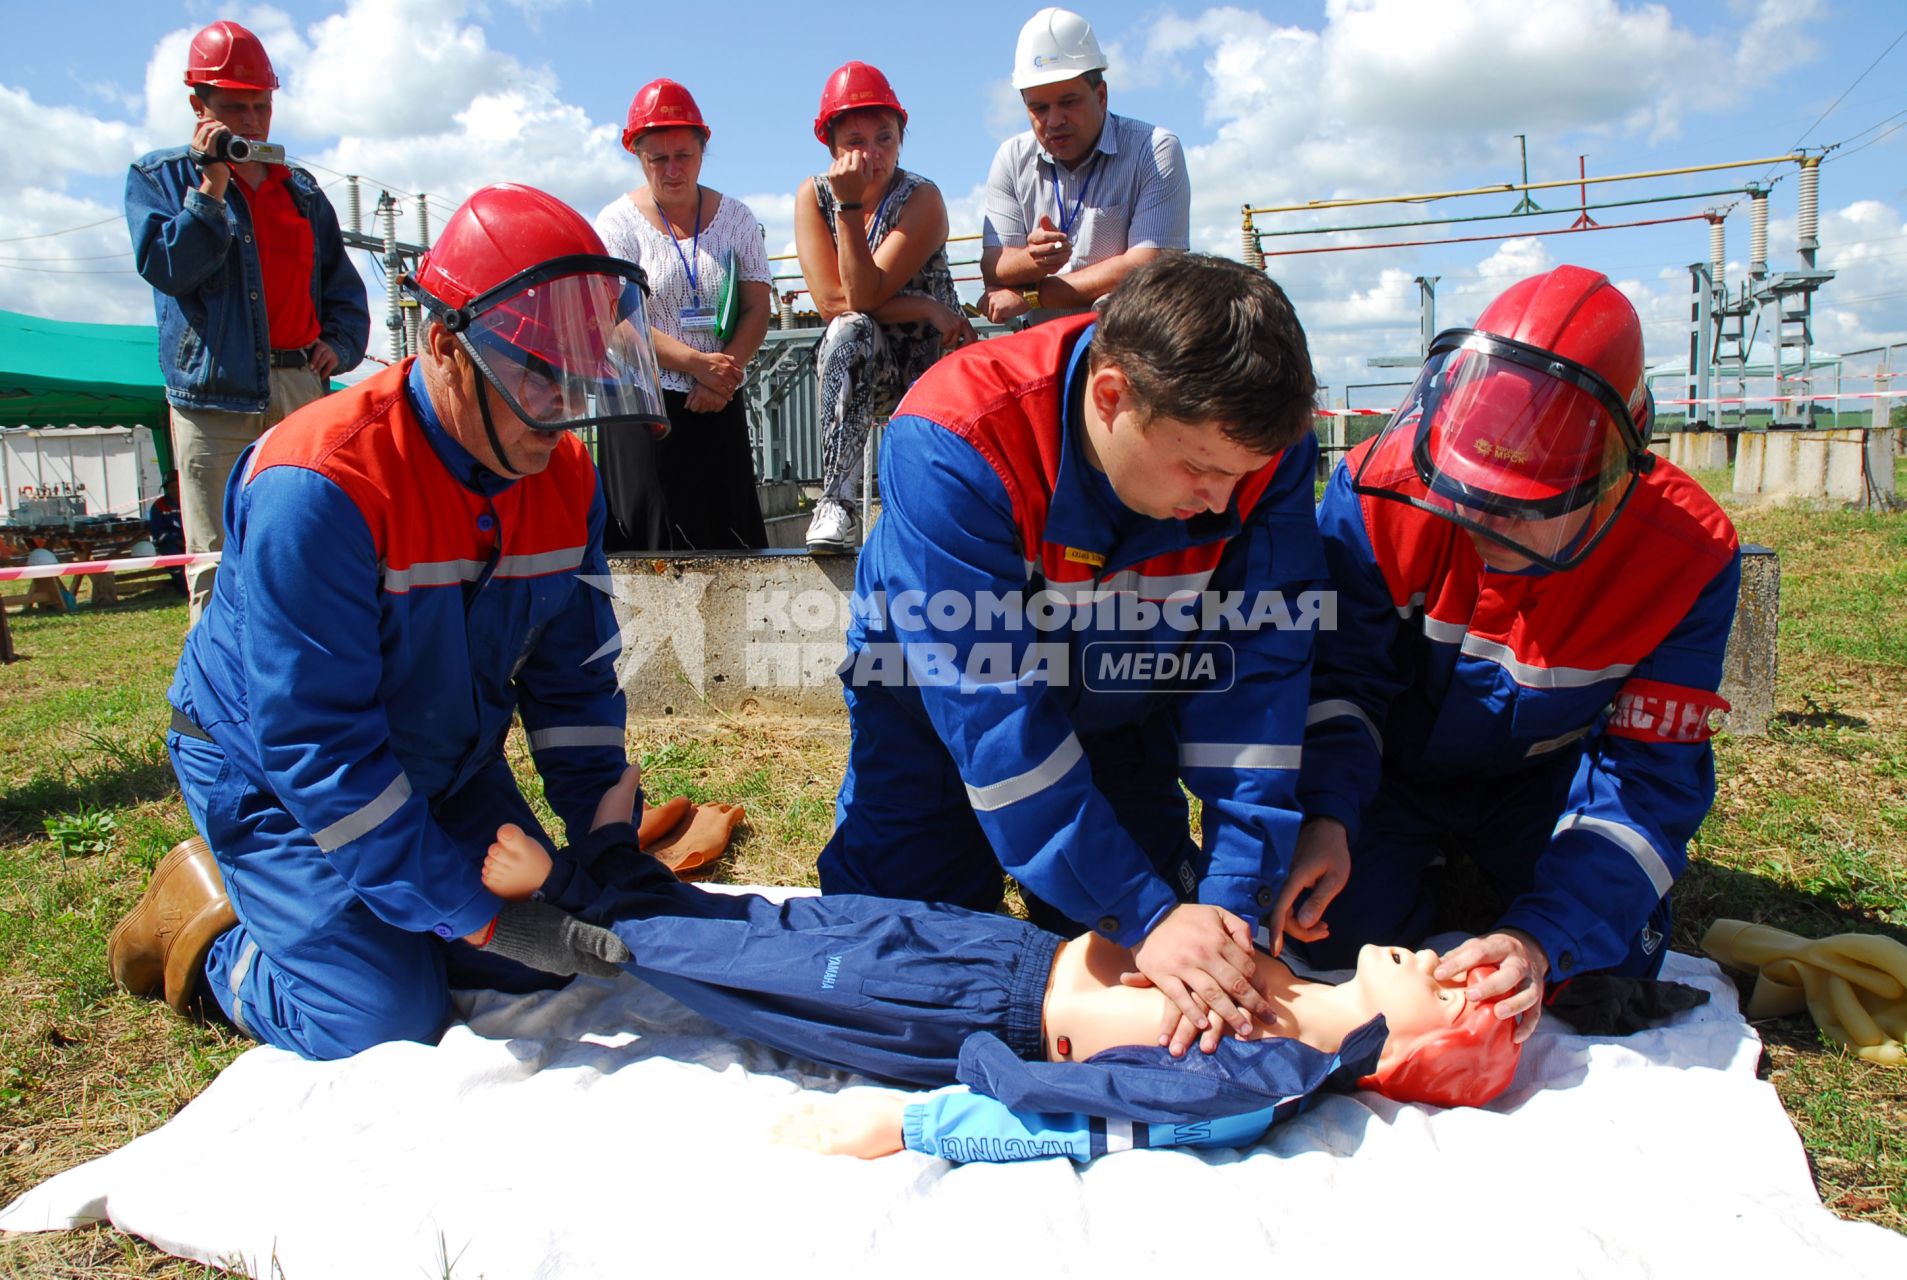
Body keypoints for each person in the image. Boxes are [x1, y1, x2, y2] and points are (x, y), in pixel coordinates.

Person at [106, 183, 672, 1060]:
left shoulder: (564, 480)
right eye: (539, 377)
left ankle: (381, 925)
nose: (564, 411)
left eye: (581, 376)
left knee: (547, 962)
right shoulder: (320, 486)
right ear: (445, 347)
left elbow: (573, 685)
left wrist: (602, 842)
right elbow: (318, 746)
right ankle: (212, 930)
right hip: (276, 778)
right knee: (379, 1021)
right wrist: (475, 916)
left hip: (442, 761)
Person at [815, 252, 1326, 1057]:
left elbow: (1257, 678)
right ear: (1112, 394)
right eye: (1197, 469)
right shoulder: (956, 436)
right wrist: (1148, 913)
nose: (1221, 504)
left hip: (1124, 704)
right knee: (896, 962)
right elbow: (991, 718)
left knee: (1136, 972)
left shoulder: (1255, 446)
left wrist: (1232, 907)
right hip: (935, 716)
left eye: (1241, 475)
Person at [479, 807, 1521, 1166]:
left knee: (757, 970)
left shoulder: (1268, 1071)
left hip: (965, 1011)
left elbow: (1099, 1117)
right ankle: (616, 885)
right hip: (989, 948)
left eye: (1450, 991)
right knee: (788, 919)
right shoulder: (1299, 967)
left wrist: (920, 1121)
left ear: (1411, 1051)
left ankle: (556, 915)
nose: (1437, 958)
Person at [1284, 265, 1742, 1043]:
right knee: (1317, 937)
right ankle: (1420, 868)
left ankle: (1486, 891)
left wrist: (1540, 941)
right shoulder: (1374, 494)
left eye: (1520, 512)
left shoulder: (1688, 555)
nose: (1481, 531)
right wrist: (1326, 815)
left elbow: (1648, 779)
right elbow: (1337, 687)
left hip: (1545, 781)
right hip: (1384, 774)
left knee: (1601, 972)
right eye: (1467, 500)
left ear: (1614, 476)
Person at [124, 20, 370, 623]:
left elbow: (343, 285)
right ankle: (219, 709)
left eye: (261, 105)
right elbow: (168, 268)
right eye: (235, 107)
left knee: (311, 542)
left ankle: (307, 682)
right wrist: (209, 188)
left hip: (300, 390)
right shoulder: (159, 179)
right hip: (213, 401)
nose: (253, 121)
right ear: (198, 106)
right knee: (216, 561)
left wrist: (338, 344)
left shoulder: (302, 191)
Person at [794, 61, 975, 554]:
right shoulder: (814, 197)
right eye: (854, 141)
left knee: (925, 508)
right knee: (848, 327)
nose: (871, 154)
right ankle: (836, 500)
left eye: (885, 139)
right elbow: (839, 302)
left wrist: (849, 210)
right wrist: (923, 303)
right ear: (830, 146)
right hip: (860, 361)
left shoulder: (921, 198)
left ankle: (927, 515)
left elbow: (865, 292)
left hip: (927, 360)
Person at [593, 78, 772, 551]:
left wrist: (724, 373)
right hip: (644, 409)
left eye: (684, 156)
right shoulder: (616, 224)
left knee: (728, 541)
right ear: (637, 156)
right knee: (652, 546)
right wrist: (697, 365)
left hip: (717, 397)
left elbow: (757, 305)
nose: (673, 170)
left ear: (703, 149)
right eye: (659, 159)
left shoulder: (735, 217)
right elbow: (614, 322)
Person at [978, 7, 1189, 329]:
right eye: (1039, 107)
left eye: (1069, 101)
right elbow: (994, 265)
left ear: (1101, 95)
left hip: (1131, 343)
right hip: (1040, 349)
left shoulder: (1154, 149)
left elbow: (1149, 266)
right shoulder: (1011, 159)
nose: (1054, 120)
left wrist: (1033, 293)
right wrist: (1032, 260)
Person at [146, 471, 187, 594]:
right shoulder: (158, 506)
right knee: (174, 558)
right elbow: (158, 533)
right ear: (166, 489)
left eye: (177, 486)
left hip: (189, 541)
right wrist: (176, 540)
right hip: (169, 543)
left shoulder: (189, 502)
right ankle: (183, 589)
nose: (175, 490)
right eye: (171, 487)